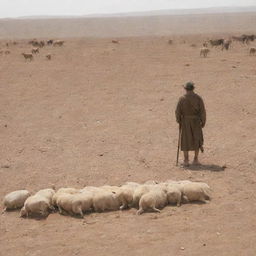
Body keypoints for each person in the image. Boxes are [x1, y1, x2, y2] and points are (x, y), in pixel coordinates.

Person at [175, 82, 206, 166]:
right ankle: (195, 160)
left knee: (185, 140)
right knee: (197, 139)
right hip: (196, 121)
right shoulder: (198, 98)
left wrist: (179, 121)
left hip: (185, 122)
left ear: (185, 89)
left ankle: (186, 160)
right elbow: (202, 111)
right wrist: (203, 122)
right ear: (193, 88)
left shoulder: (182, 99)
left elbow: (177, 112)